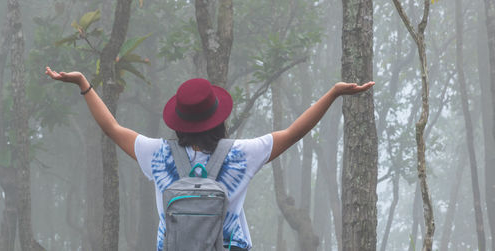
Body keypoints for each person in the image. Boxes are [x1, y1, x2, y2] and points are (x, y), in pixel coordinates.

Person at [45, 67, 374, 250]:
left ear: (178, 119)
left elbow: (112, 127)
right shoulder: (241, 155)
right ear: (217, 116)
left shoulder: (157, 154)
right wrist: (333, 94)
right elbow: (292, 133)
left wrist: (84, 84)